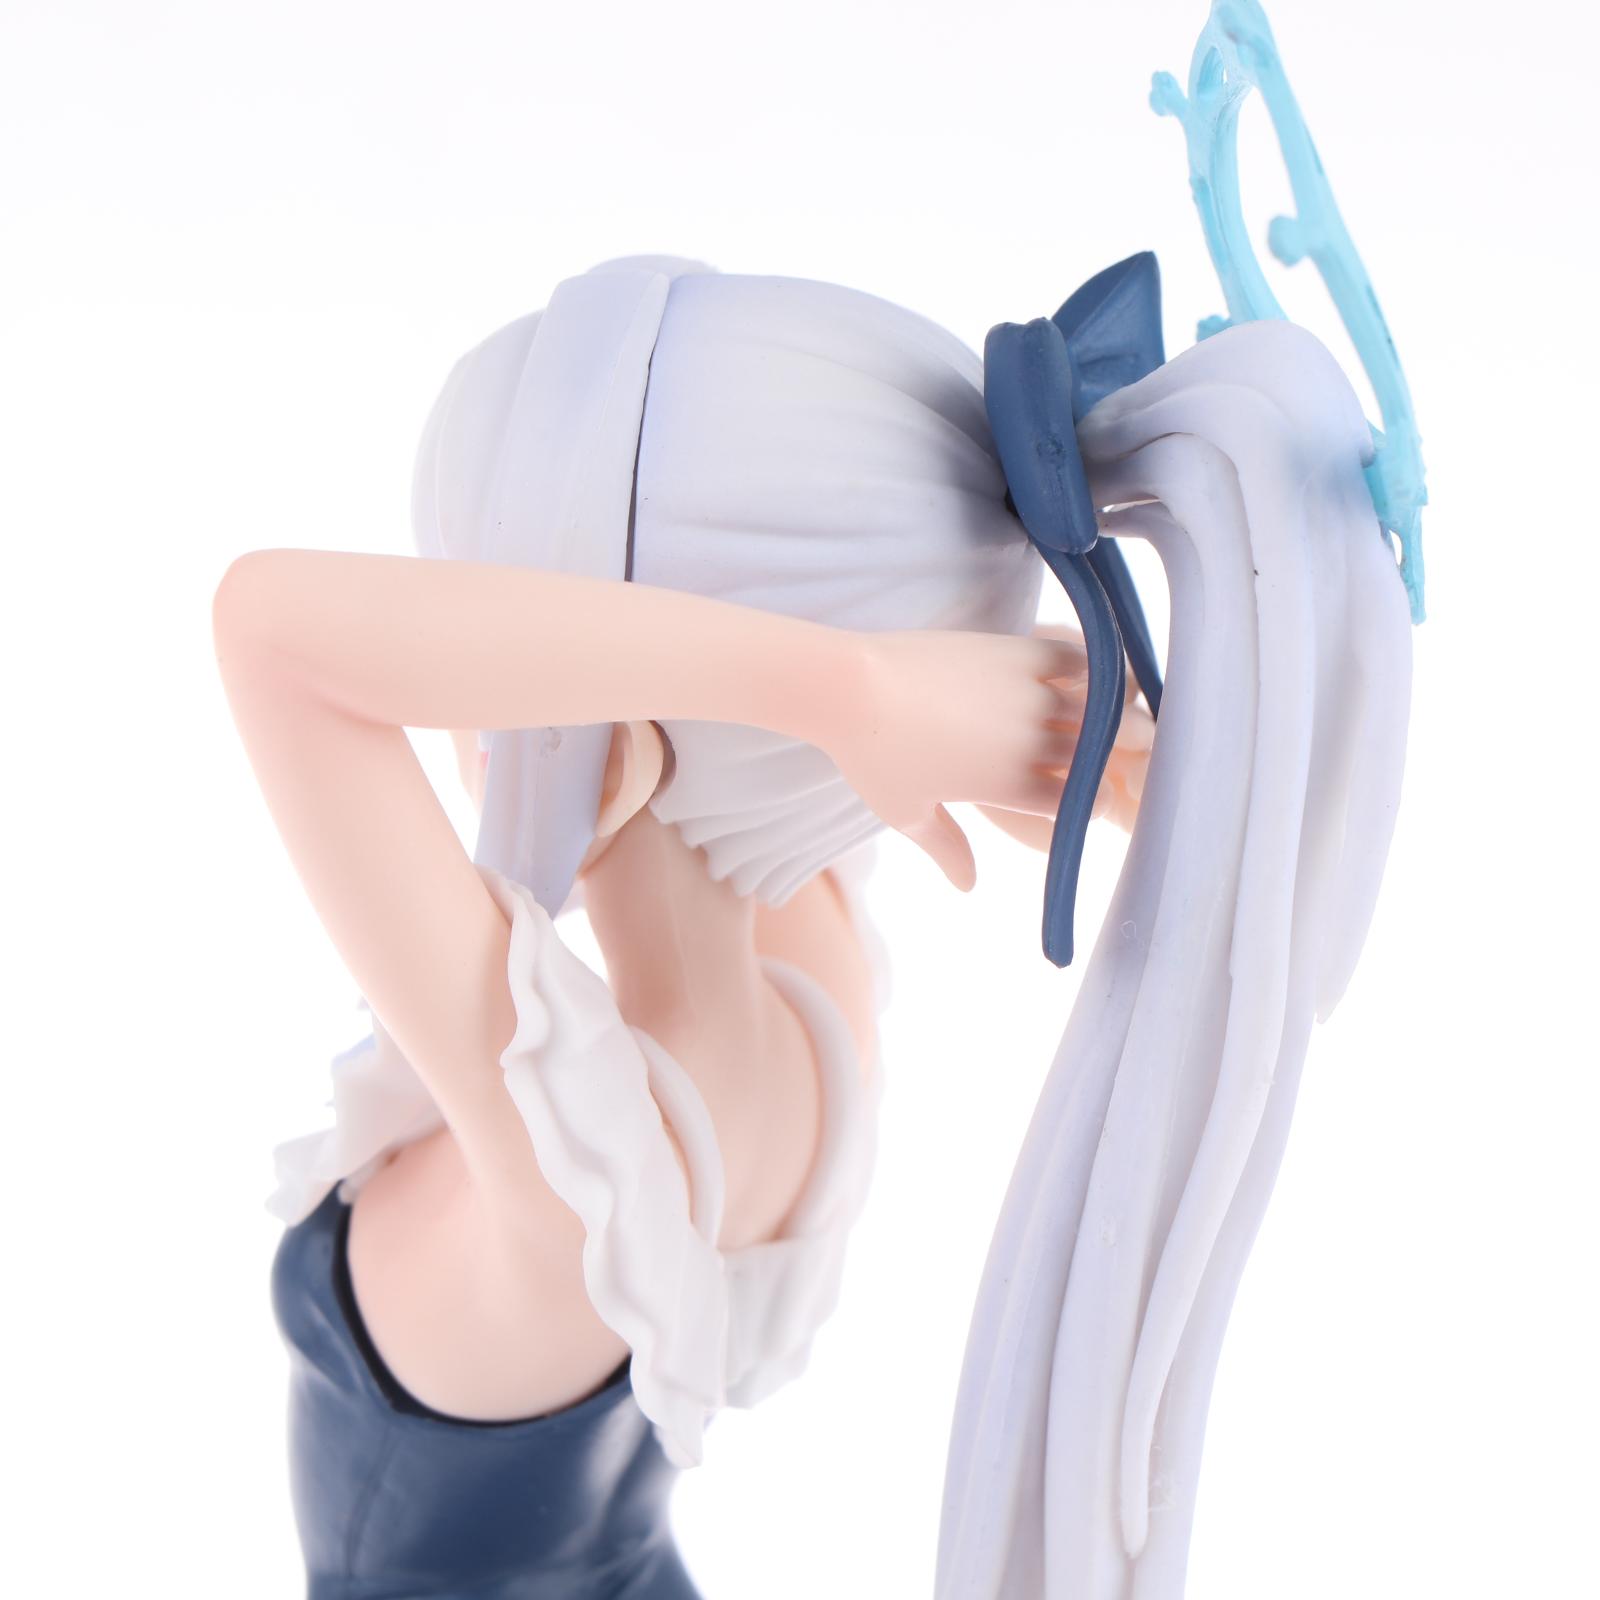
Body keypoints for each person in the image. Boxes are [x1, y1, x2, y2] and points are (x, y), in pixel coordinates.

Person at [213, 257, 1152, 1598]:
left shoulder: (568, 1162)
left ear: (591, 744)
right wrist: (949, 700)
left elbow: (270, 631)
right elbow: (783, 749)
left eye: (489, 655)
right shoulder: (812, 982)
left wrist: (848, 690)